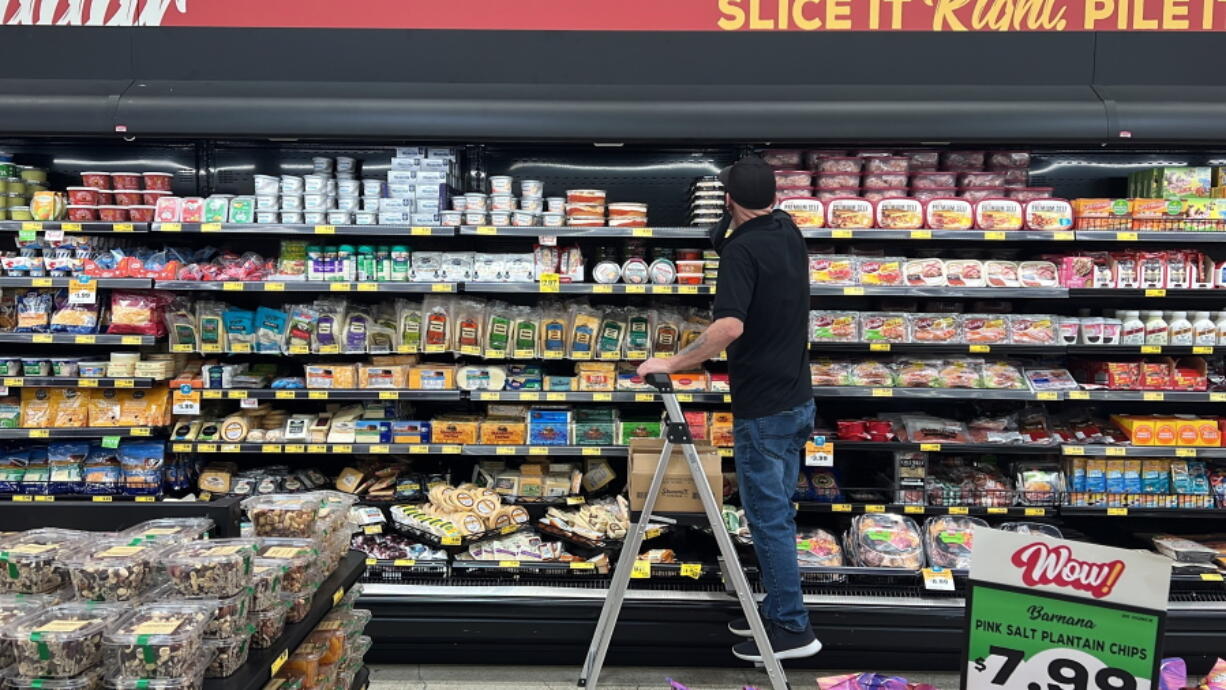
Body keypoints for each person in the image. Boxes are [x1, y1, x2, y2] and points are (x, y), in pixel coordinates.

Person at [637, 156, 818, 662]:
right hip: (798, 399)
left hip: (763, 408)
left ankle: (791, 627)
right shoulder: (787, 231)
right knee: (777, 511)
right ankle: (779, 607)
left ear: (730, 201)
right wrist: (732, 223)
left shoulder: (742, 251)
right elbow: (736, 233)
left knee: (768, 518)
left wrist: (674, 361)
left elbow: (730, 327)